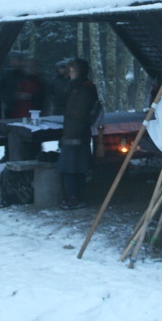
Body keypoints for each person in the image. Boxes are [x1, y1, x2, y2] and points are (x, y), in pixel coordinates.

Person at [57, 58, 98, 210]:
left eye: (72, 70)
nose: (69, 72)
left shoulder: (82, 89)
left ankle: (75, 197)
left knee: (71, 166)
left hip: (75, 132)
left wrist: (72, 133)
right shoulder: (77, 87)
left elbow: (77, 113)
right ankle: (77, 195)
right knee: (76, 166)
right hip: (76, 131)